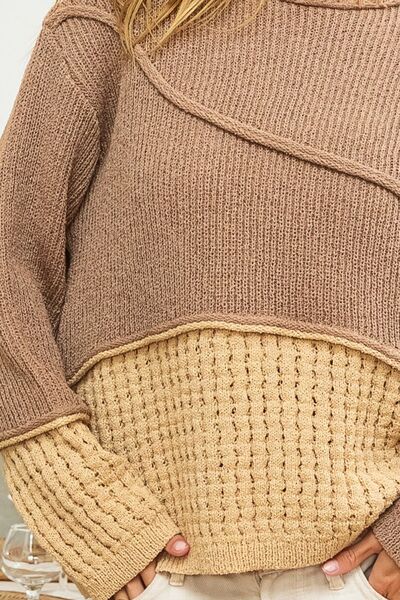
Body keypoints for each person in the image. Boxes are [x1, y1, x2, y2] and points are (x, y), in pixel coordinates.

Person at [0, 0, 399, 598]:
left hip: (365, 578)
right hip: (151, 568)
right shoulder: (122, 16)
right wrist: (76, 499)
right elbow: (10, 258)